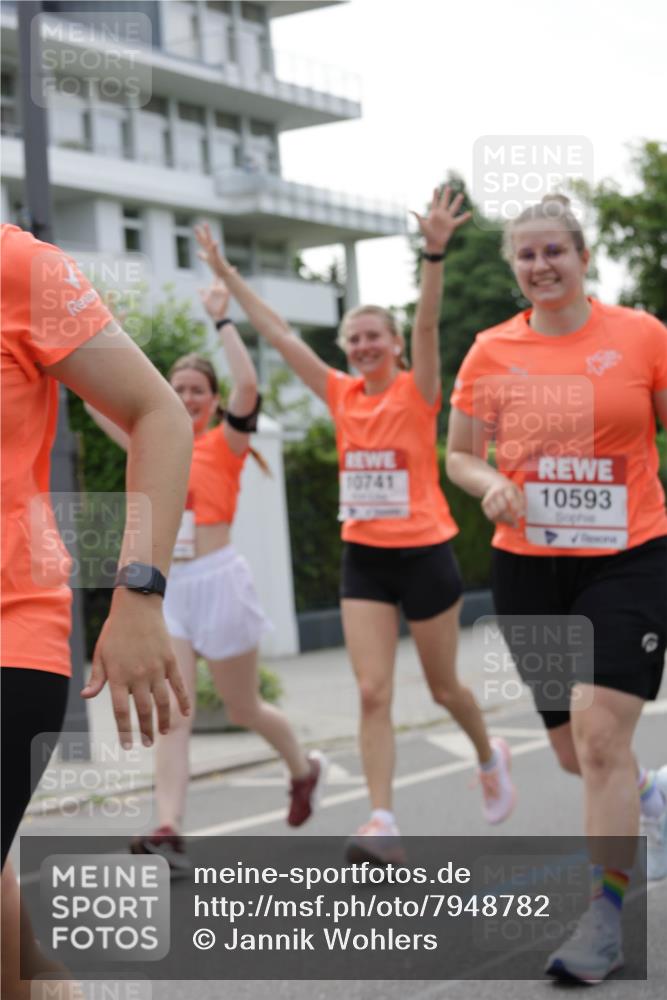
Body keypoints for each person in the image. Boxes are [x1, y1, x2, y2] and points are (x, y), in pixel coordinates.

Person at [194, 188, 517, 866]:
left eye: (376, 336)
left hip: (426, 552)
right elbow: (279, 332)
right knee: (371, 690)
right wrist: (224, 275)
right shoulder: (339, 392)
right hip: (363, 558)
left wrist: (432, 253)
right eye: (355, 338)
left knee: (441, 688)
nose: (365, 345)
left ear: (395, 347)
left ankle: (489, 754)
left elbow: (429, 326)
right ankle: (381, 820)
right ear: (345, 348)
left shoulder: (417, 391)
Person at [446, 194, 667, 983]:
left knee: (600, 736)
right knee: (578, 755)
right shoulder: (488, 351)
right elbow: (460, 455)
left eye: (553, 252)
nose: (540, 266)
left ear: (581, 255)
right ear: (515, 267)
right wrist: (486, 485)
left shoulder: (640, 337)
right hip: (528, 566)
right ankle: (649, 793)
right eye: (526, 256)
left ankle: (603, 920)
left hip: (627, 557)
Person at [1, 224, 192, 996]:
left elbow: (159, 414)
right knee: (18, 962)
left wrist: (139, 596)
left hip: (8, 636)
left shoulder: (19, 267)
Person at [87, 280, 326, 872]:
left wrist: (221, 320)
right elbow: (95, 402)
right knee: (177, 710)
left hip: (221, 580)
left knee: (244, 708)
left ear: (213, 402)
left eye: (196, 391)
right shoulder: (153, 442)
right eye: (177, 390)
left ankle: (302, 768)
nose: (187, 398)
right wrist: (100, 334)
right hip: (169, 590)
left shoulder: (228, 442)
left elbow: (249, 384)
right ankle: (167, 826)